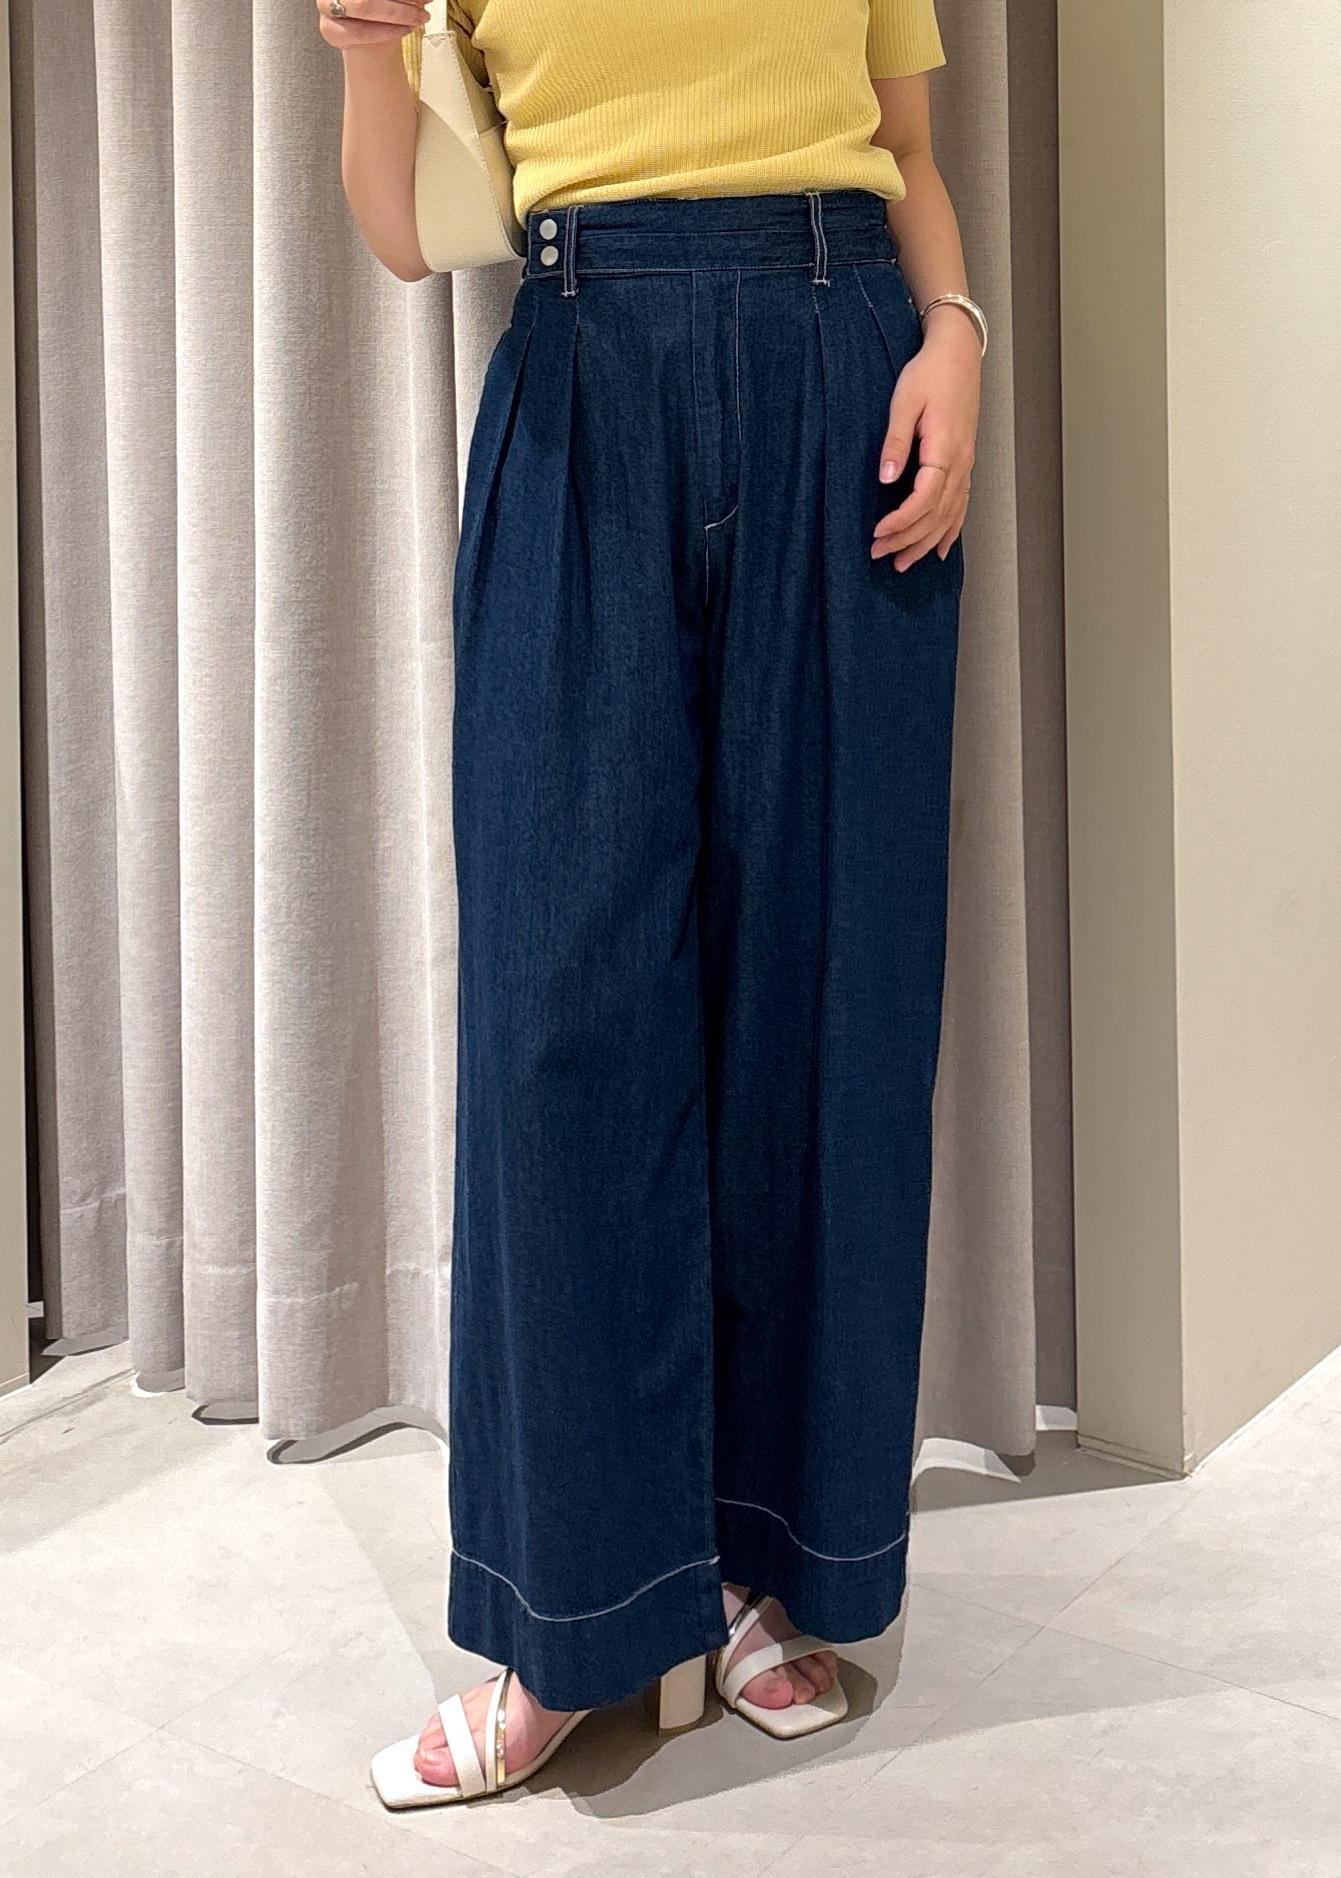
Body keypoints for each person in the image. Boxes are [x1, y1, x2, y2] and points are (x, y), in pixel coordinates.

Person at [322, 0, 983, 1810]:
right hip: (583, 376)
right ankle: (572, 1615)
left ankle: (767, 1558)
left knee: (821, 994)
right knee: (560, 1018)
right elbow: (403, 232)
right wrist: (365, 54)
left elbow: (910, 155)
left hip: (843, 367)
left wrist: (956, 331)